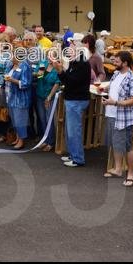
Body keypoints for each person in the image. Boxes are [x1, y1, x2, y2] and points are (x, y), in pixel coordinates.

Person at [101, 51, 133, 186]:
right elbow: (112, 89)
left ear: (125, 63)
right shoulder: (116, 74)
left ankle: (131, 174)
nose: (114, 63)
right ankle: (118, 169)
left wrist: (115, 103)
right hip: (111, 114)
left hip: (124, 118)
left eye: (117, 61)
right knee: (115, 144)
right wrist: (104, 90)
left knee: (127, 146)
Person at [54, 35, 91, 167]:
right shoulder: (75, 62)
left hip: (77, 100)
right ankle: (73, 155)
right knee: (71, 130)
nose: (69, 48)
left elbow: (71, 81)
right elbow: (67, 80)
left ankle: (77, 159)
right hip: (73, 99)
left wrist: (60, 70)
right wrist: (61, 71)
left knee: (74, 131)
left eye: (72, 45)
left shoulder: (82, 63)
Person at [4, 47, 33, 150]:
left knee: (20, 120)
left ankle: (21, 141)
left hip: (20, 99)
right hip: (10, 97)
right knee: (14, 120)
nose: (10, 57)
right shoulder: (11, 65)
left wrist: (12, 80)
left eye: (12, 55)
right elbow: (6, 74)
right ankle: (17, 138)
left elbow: (26, 83)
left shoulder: (25, 66)